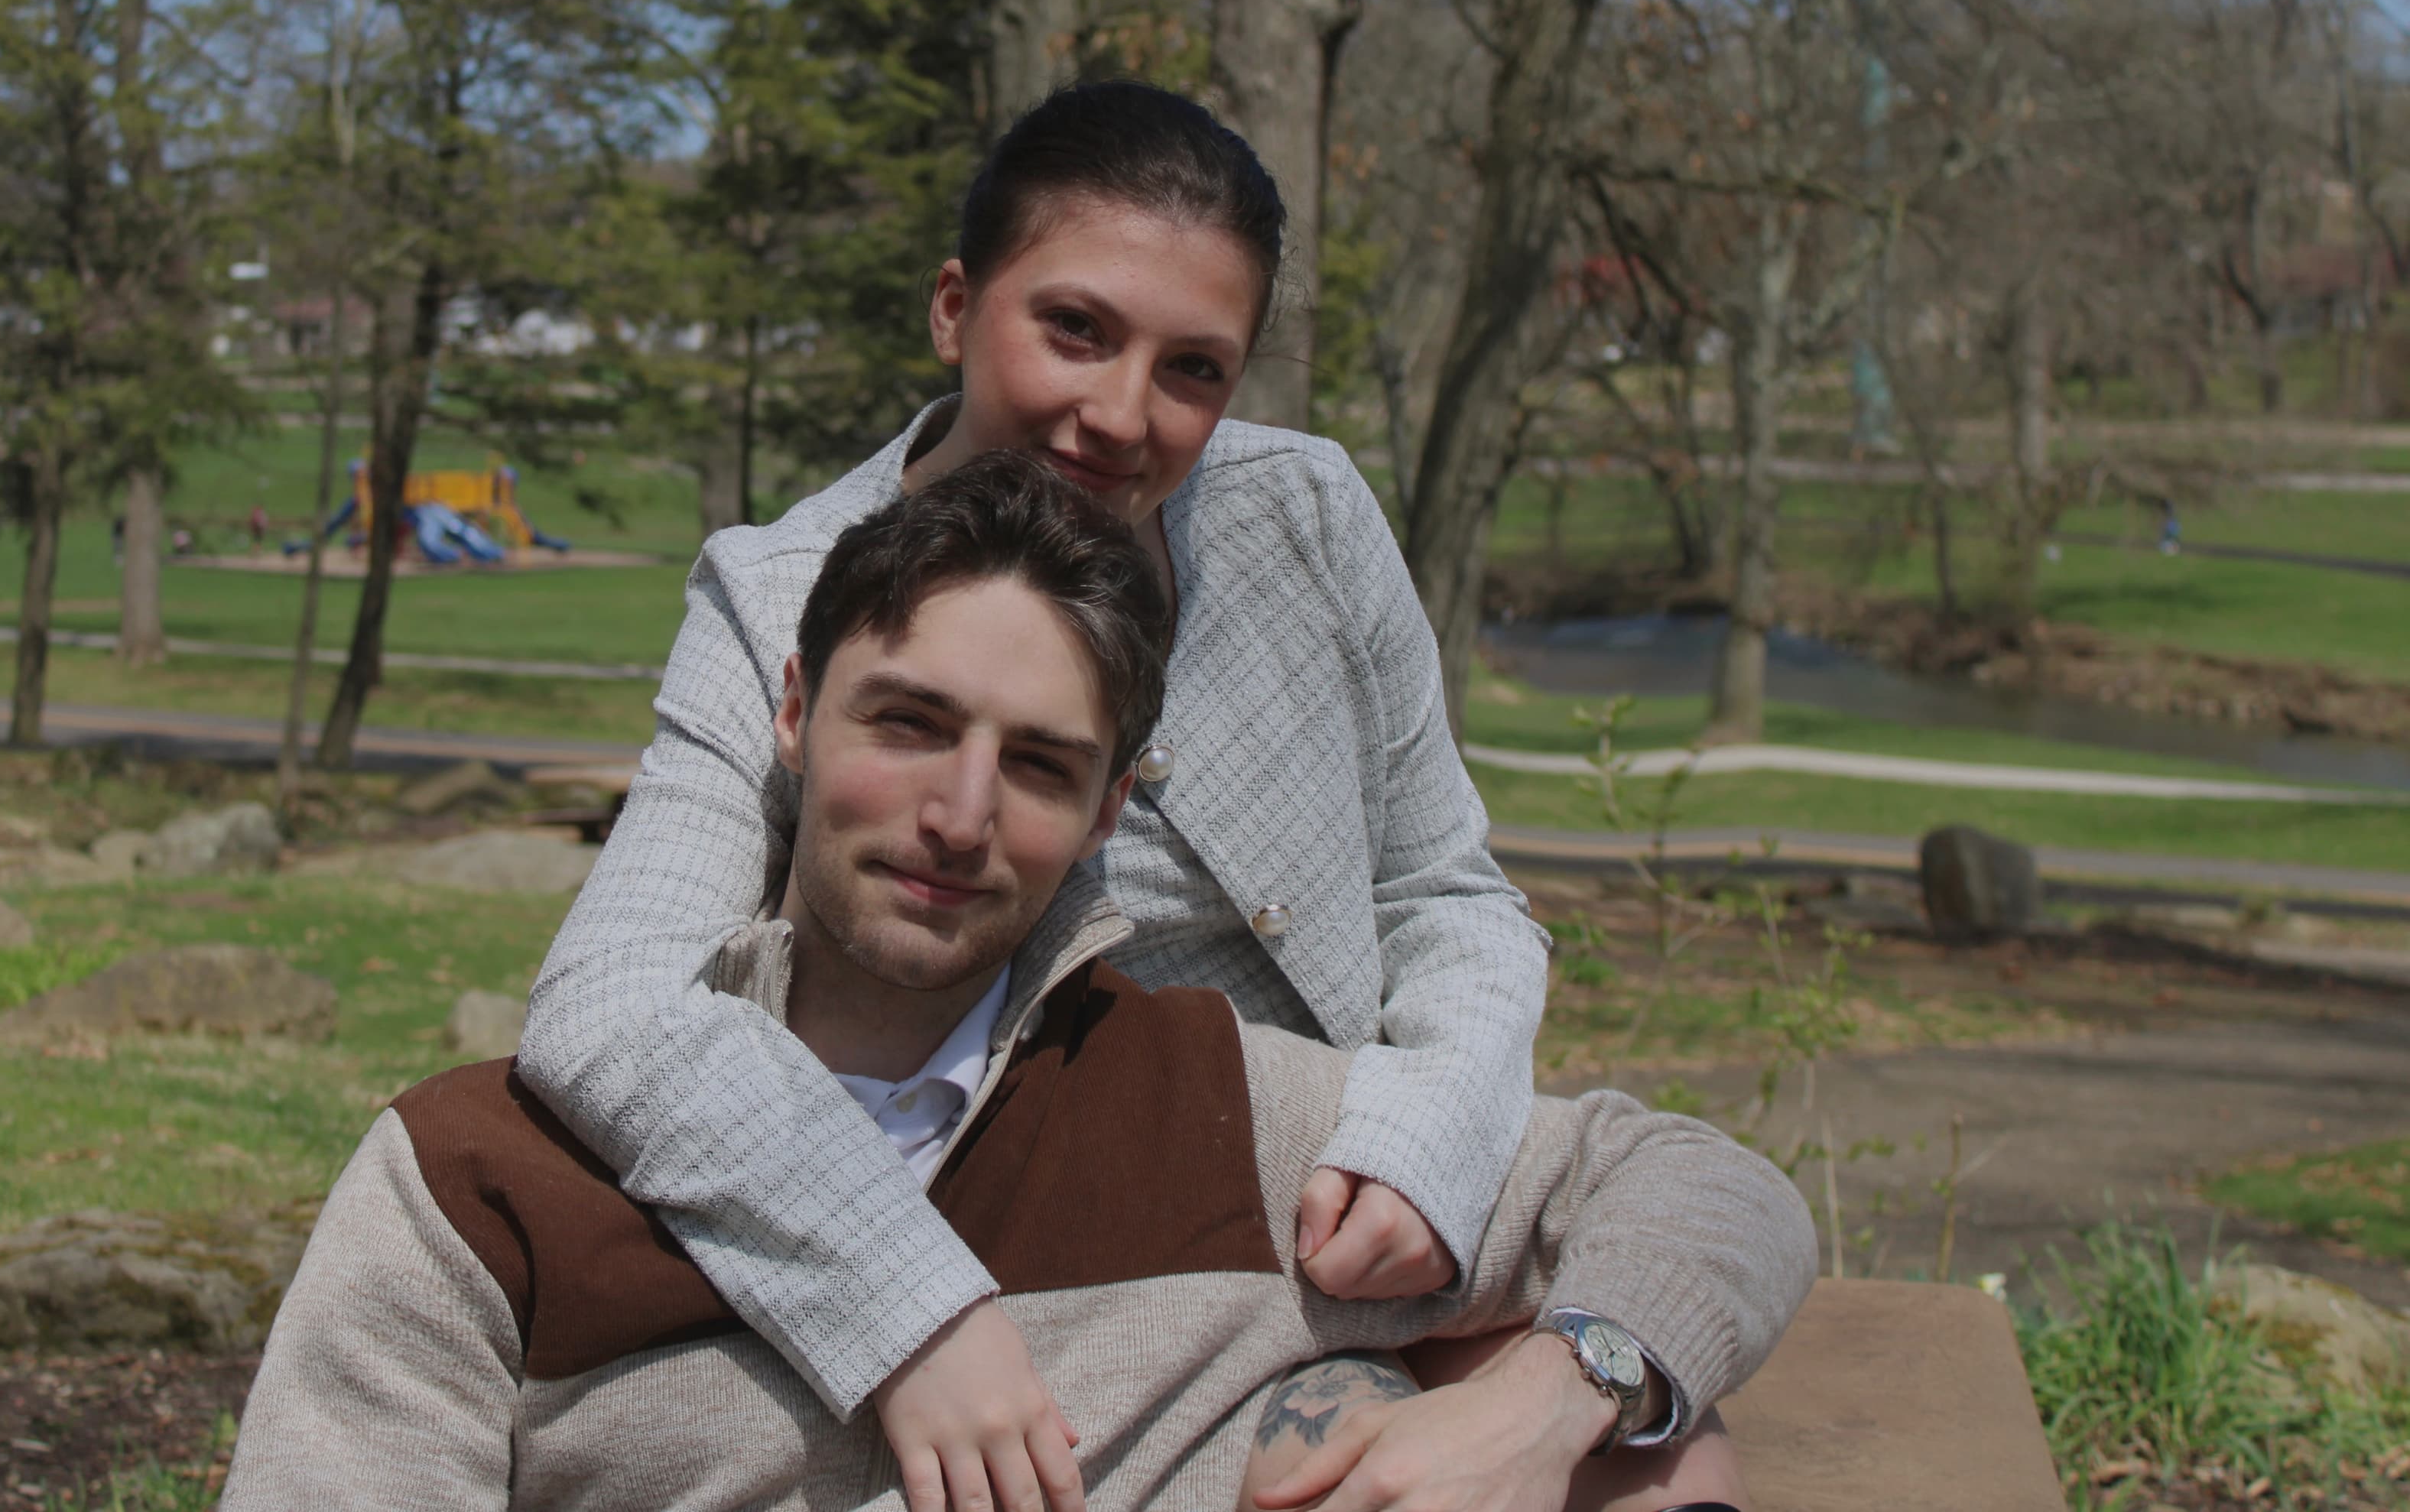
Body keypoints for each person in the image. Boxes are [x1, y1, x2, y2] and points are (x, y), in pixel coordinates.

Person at [225, 459, 1812, 1512]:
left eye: (1041, 763)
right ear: (791, 709)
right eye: (908, 722)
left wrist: (1548, 1398)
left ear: (1113, 807)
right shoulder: (479, 1183)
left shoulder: (1212, 1101)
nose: (961, 815)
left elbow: (1701, 1184)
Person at [515, 81, 1551, 1509]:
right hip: (1023, 1270)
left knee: (1655, 1447)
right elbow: (613, 1001)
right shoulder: (778, 593)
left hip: (1333, 1219)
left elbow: (1447, 893)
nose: (1120, 415)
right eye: (1074, 329)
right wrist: (904, 1303)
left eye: (1194, 369)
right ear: (955, 307)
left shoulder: (1304, 518)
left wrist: (1430, 1129)